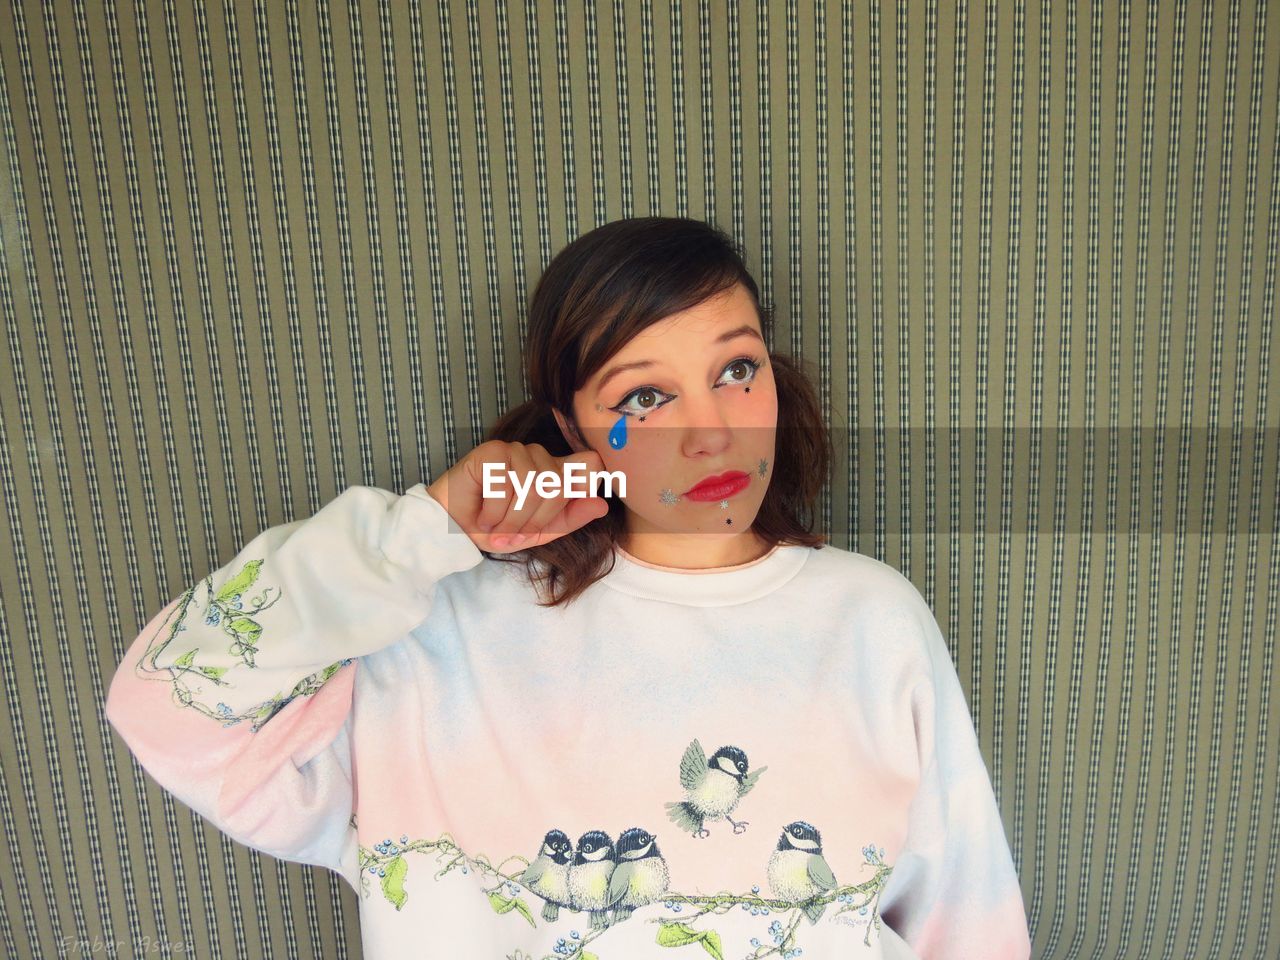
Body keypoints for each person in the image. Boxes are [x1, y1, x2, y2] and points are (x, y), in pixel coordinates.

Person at [106, 216, 1031, 958]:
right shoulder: (438, 631)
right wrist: (425, 532)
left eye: (736, 370)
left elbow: (969, 920)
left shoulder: (872, 615)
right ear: (569, 424)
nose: (712, 433)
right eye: (644, 397)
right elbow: (169, 701)